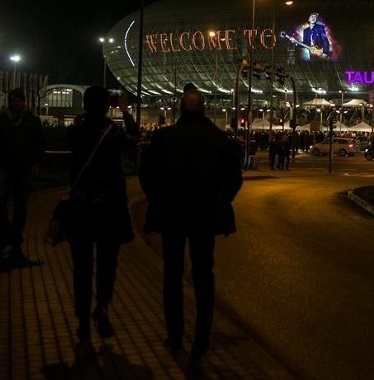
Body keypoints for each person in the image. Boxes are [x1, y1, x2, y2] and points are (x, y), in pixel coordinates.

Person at [139, 88, 243, 361]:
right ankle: (202, 336)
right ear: (205, 108)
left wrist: (158, 200)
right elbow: (234, 179)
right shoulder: (221, 140)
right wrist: (220, 202)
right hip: (205, 217)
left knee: (172, 274)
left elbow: (146, 175)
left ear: (180, 109)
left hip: (172, 216)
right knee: (204, 274)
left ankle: (175, 335)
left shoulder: (164, 138)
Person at [65, 85, 139, 346]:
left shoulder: (76, 130)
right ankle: (103, 306)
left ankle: (83, 320)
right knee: (108, 263)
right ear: (107, 105)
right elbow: (135, 137)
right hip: (108, 208)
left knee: (82, 267)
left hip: (81, 207)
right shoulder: (113, 132)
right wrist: (125, 111)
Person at [0, 88, 46, 264]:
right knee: (0, 204)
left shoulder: (31, 122)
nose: (18, 103)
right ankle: (3, 239)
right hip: (3, 168)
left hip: (22, 169)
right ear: (10, 102)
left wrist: (34, 161)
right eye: (15, 100)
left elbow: (39, 143)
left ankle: (14, 243)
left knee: (20, 207)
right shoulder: (0, 121)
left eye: (20, 100)